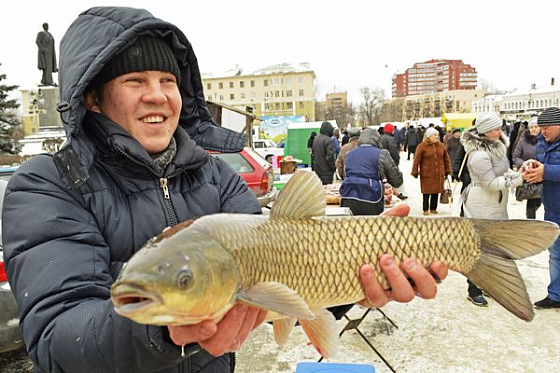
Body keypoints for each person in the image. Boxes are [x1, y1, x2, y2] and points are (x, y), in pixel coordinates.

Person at [2, 7, 449, 372]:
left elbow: (288, 280)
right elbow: (58, 337)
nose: (158, 95)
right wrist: (166, 327)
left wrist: (357, 275)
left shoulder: (216, 177)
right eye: (135, 81)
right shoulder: (46, 186)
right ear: (92, 99)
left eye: (169, 81)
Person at [461, 113, 523, 307]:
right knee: (479, 247)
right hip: (481, 203)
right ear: (486, 131)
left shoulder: (498, 147)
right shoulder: (479, 154)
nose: (500, 131)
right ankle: (473, 289)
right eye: (496, 128)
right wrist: (518, 179)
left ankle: (487, 283)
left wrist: (517, 173)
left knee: (494, 248)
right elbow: (489, 183)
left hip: (496, 203)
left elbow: (502, 173)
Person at [523, 107, 560, 309]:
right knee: (555, 254)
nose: (543, 131)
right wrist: (531, 170)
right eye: (541, 127)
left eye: (547, 127)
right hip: (552, 207)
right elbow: (542, 169)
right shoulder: (542, 144)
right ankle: (555, 295)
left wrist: (546, 171)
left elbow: (548, 170)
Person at [340, 128, 405, 216]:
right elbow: (396, 180)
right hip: (372, 199)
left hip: (348, 198)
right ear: (378, 140)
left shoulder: (349, 154)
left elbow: (345, 176)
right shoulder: (382, 154)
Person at [411, 127, 451, 215]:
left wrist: (447, 169)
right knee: (426, 191)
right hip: (427, 172)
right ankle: (425, 209)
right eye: (434, 135)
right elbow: (417, 160)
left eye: (437, 135)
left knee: (436, 191)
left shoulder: (441, 145)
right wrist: (414, 170)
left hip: (438, 172)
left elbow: (446, 159)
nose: (437, 137)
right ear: (429, 136)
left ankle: (433, 208)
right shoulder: (422, 146)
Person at [513, 117, 542, 219]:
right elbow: (515, 157)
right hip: (528, 174)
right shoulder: (523, 141)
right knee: (531, 198)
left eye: (536, 127)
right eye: (532, 127)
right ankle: (531, 220)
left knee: (539, 199)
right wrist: (524, 164)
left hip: (542, 173)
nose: (534, 129)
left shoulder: (544, 140)